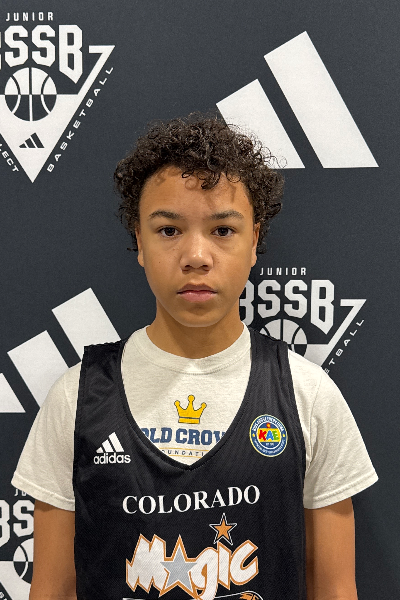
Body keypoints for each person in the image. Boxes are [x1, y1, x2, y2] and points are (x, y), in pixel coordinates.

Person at [12, 113, 378, 600]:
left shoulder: (308, 396)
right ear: (139, 242)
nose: (197, 256)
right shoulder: (76, 398)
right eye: (169, 230)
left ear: (254, 241)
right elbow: (52, 589)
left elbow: (334, 588)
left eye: (223, 230)